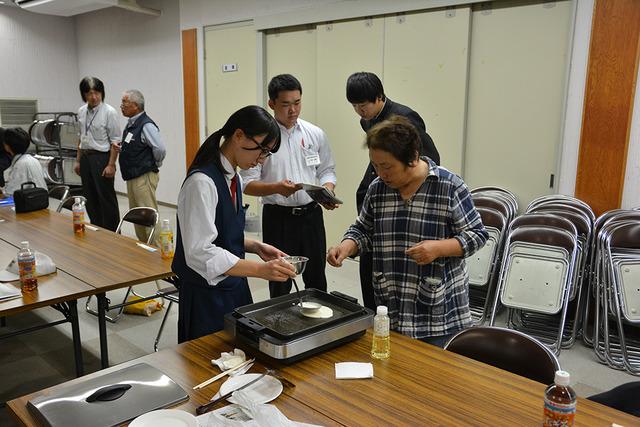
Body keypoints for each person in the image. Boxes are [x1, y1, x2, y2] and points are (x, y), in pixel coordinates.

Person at [327, 116, 487, 348]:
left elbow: (477, 234)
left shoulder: (449, 186)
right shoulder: (378, 189)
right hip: (391, 306)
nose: (381, 173)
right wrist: (346, 246)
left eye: (388, 166)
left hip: (438, 314)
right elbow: (363, 229)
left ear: (412, 158)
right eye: (375, 165)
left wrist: (439, 248)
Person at [173, 105, 297, 342]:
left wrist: (254, 246)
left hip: (233, 285)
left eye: (266, 154)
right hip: (206, 295)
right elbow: (200, 251)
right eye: (261, 151)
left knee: (240, 354)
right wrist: (260, 270)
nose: (260, 161)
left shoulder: (234, 178)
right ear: (238, 135)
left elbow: (221, 231)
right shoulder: (202, 182)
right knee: (210, 363)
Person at [346, 71, 441, 311]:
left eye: (363, 105)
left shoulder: (405, 118)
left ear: (379, 97)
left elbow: (428, 159)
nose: (360, 111)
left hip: (400, 202)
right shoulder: (367, 119)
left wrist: (400, 188)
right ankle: (372, 315)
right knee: (370, 269)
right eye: (355, 106)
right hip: (378, 195)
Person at [240, 74, 338, 298]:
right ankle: (281, 325)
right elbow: (246, 183)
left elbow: (326, 170)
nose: (293, 110)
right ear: (272, 104)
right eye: (285, 104)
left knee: (316, 277)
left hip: (311, 215)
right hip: (278, 217)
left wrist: (328, 190)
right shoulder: (261, 139)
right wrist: (276, 187)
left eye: (297, 102)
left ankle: (317, 324)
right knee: (280, 278)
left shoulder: (315, 133)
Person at [119, 89, 166, 244]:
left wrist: (155, 163)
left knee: (148, 214)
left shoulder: (146, 125)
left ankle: (158, 250)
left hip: (143, 176)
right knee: (137, 214)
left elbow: (160, 149)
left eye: (125, 102)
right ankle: (143, 248)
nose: (121, 106)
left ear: (135, 105)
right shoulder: (131, 124)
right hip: (132, 176)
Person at [74, 76, 121, 231]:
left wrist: (111, 164)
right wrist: (78, 160)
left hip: (102, 158)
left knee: (106, 198)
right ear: (84, 95)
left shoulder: (109, 112)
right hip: (86, 158)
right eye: (89, 93)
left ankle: (113, 233)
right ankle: (97, 228)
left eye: (97, 93)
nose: (94, 97)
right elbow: (80, 137)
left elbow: (116, 141)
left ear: (102, 93)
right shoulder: (81, 112)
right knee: (90, 197)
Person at [2, 127, 47, 196]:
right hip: (40, 199)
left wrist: (3, 190)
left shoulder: (20, 164)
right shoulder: (32, 159)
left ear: (7, 146)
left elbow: (10, 192)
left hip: (32, 203)